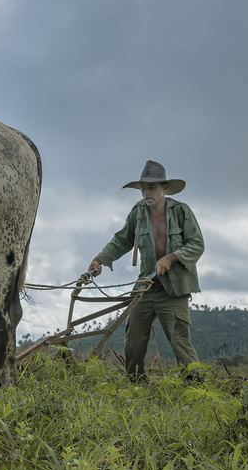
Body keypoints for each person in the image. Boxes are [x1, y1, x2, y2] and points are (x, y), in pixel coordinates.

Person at [87, 160, 205, 382]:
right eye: (143, 187)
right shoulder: (138, 213)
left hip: (173, 288)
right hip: (146, 285)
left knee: (180, 340)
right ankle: (136, 385)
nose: (146, 192)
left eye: (151, 187)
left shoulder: (181, 212)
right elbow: (122, 240)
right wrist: (100, 259)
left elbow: (197, 244)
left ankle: (195, 388)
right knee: (133, 340)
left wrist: (171, 257)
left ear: (165, 188)